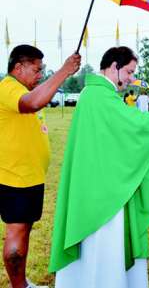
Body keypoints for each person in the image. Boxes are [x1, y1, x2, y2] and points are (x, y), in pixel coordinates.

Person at [49, 46, 149, 288]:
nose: (130, 78)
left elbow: (120, 130)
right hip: (104, 188)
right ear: (114, 66)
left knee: (95, 246)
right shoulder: (99, 95)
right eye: (128, 71)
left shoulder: (95, 93)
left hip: (96, 178)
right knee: (103, 240)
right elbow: (131, 127)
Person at [0, 45, 80, 288]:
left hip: (29, 176)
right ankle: (18, 286)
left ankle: (21, 281)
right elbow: (33, 103)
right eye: (37, 69)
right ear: (18, 67)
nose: (41, 75)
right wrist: (64, 71)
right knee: (17, 231)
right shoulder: (8, 88)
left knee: (24, 230)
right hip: (16, 177)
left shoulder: (22, 88)